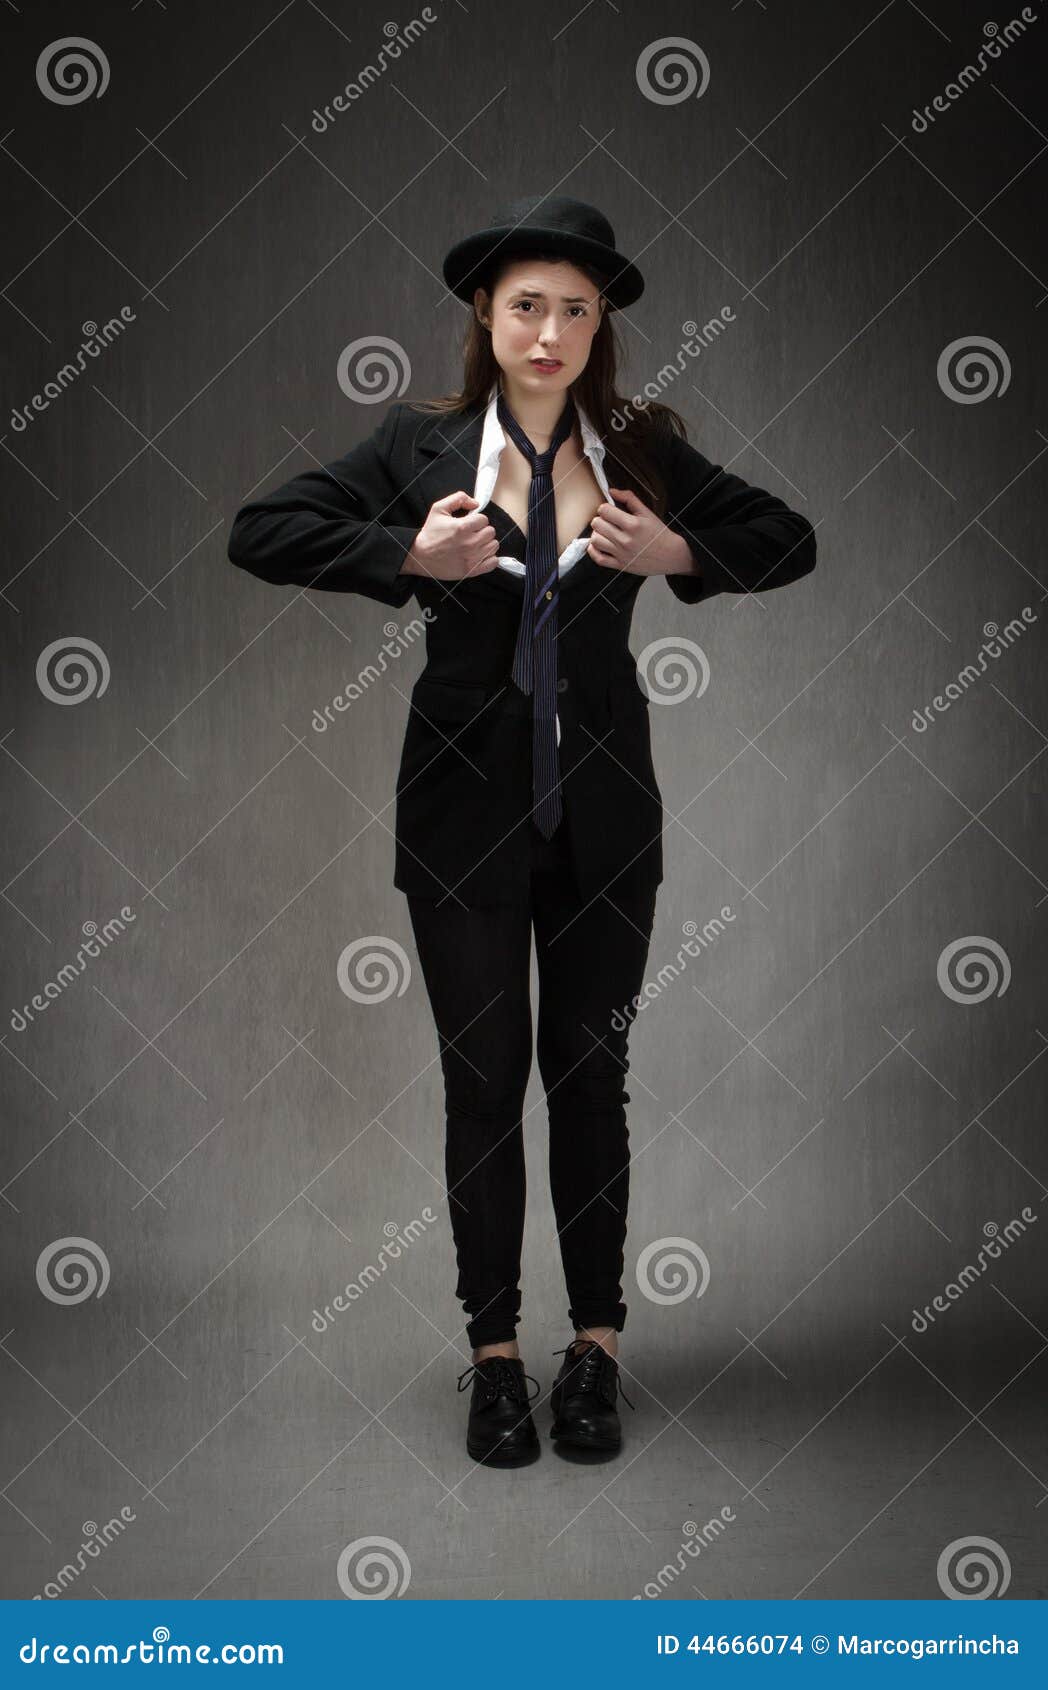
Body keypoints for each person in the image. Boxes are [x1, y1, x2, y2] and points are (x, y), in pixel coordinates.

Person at [227, 194, 817, 1468]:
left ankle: (594, 1352)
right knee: (483, 1083)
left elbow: (791, 538)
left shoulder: (642, 443)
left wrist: (678, 549)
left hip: (605, 816)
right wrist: (406, 559)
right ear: (485, 321)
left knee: (588, 1079)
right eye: (524, 306)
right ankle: (493, 1359)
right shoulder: (420, 444)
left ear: (598, 325)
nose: (548, 330)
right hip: (459, 815)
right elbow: (259, 531)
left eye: (573, 309)